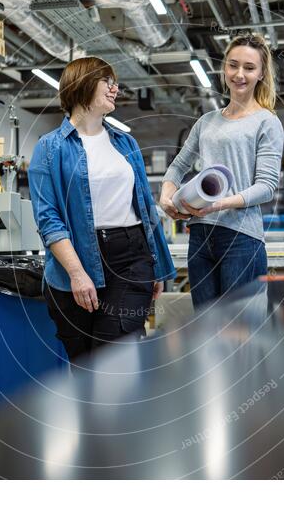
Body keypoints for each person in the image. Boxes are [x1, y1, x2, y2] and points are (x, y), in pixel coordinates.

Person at [29, 57, 176, 362]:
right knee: (84, 366)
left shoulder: (125, 142)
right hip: (76, 260)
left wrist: (157, 264)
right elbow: (48, 217)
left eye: (115, 82)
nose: (115, 88)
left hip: (132, 259)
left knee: (113, 360)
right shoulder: (49, 147)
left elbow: (144, 206)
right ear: (82, 86)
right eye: (107, 82)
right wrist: (77, 273)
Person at [159, 33, 284, 308]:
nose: (239, 74)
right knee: (207, 330)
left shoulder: (267, 122)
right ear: (224, 68)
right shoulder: (206, 122)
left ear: (261, 73)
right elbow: (178, 166)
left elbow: (266, 187)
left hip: (241, 238)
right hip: (201, 236)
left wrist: (218, 205)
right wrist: (167, 196)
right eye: (233, 65)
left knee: (239, 335)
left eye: (249, 68)